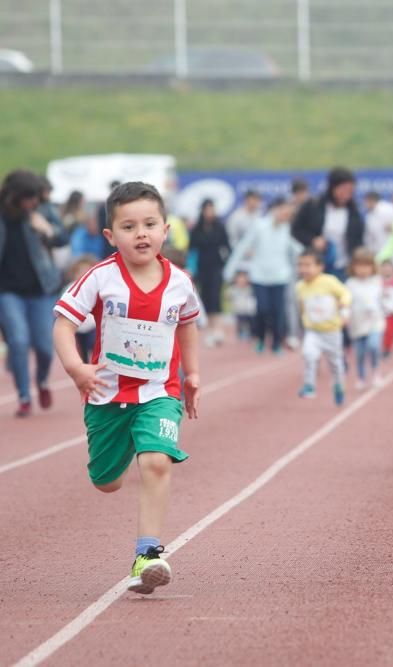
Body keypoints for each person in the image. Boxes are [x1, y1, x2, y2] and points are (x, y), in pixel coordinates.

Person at [51, 181, 201, 594]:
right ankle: (128, 444)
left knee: (156, 461)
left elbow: (187, 325)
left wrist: (192, 375)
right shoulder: (101, 278)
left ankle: (148, 553)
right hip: (107, 395)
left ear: (165, 230)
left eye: (150, 224)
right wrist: (75, 367)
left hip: (159, 391)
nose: (141, 234)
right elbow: (63, 323)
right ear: (110, 235)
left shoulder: (180, 283)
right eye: (129, 226)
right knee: (107, 481)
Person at [0, 169, 69, 417]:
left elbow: (62, 238)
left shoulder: (43, 212)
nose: (33, 202)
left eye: (36, 198)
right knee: (17, 341)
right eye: (28, 198)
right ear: (14, 197)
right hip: (7, 291)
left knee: (44, 347)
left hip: (41, 289)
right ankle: (23, 395)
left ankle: (41, 382)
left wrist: (46, 229)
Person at [224, 197, 302, 354]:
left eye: (288, 215)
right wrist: (230, 269)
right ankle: (260, 338)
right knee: (263, 309)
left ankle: (276, 343)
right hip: (260, 276)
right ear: (276, 210)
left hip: (280, 276)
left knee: (278, 311)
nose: (286, 217)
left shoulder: (286, 228)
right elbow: (243, 246)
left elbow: (294, 247)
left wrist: (308, 254)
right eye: (284, 212)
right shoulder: (259, 226)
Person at [295, 249, 351, 405]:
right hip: (313, 331)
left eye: (308, 265)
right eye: (300, 265)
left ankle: (339, 386)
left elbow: (345, 294)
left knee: (335, 364)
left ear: (320, 267)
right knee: (308, 354)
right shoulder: (300, 286)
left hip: (332, 331)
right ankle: (309, 386)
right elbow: (301, 307)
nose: (303, 269)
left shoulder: (329, 281)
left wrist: (344, 310)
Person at [292, 167, 366, 279]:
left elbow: (358, 240)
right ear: (333, 187)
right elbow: (296, 230)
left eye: (350, 191)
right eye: (343, 190)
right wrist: (313, 240)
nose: (346, 194)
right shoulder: (313, 206)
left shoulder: (354, 212)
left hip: (344, 267)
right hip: (317, 267)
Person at [189, 198, 230, 346]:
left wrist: (225, 262)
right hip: (202, 269)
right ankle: (210, 331)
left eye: (211, 209)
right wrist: (191, 268)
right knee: (205, 298)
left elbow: (227, 246)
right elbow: (192, 249)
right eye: (207, 209)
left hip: (217, 267)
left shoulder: (220, 227)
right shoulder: (197, 229)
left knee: (216, 297)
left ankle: (218, 329)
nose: (209, 212)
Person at [345, 248, 385, 389]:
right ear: (353, 267)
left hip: (375, 322)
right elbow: (346, 302)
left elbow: (382, 299)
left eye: (366, 266)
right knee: (360, 353)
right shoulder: (350, 283)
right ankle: (361, 377)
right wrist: (345, 315)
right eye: (359, 266)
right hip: (357, 324)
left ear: (372, 267)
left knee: (373, 346)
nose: (363, 270)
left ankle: (376, 372)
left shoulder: (377, 281)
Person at [362, 191, 393, 257]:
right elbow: (369, 238)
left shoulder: (389, 209)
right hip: (379, 253)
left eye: (365, 201)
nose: (364, 204)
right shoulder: (369, 216)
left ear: (371, 200)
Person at [228, 270, 256, 340]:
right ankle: (241, 332)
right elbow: (228, 296)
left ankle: (252, 332)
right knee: (241, 321)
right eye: (239, 278)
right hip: (239, 310)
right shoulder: (233, 289)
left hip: (249, 311)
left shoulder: (250, 289)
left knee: (251, 322)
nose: (241, 280)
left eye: (244, 278)